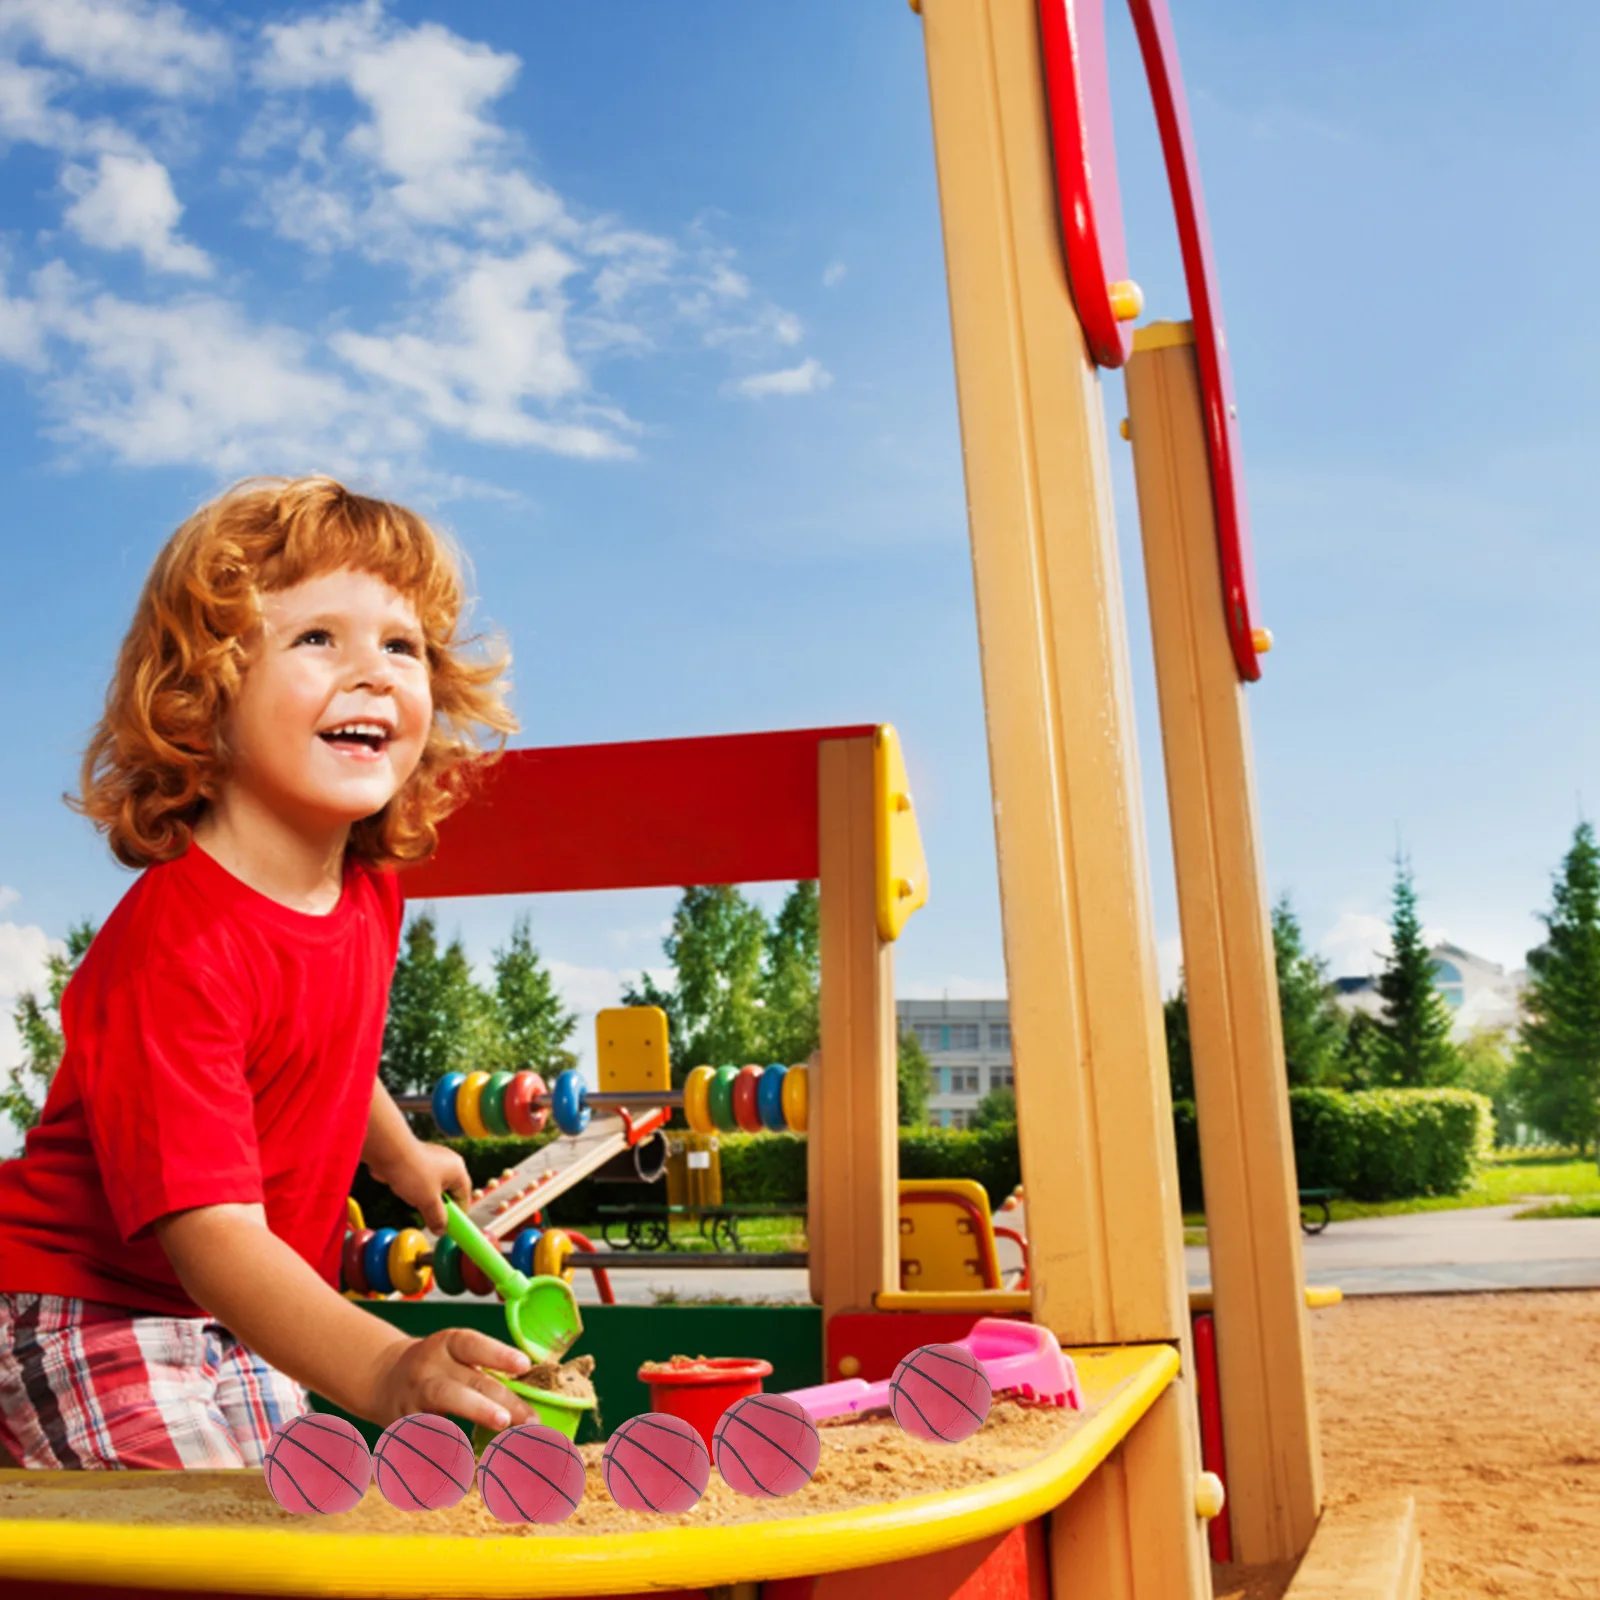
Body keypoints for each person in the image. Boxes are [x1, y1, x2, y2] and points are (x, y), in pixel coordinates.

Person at [0, 477, 540, 1469]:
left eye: (401, 644)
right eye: (317, 639)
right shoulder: (179, 946)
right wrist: (383, 1369)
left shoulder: (369, 893)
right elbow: (215, 1239)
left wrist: (400, 1154)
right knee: (210, 1543)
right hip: (92, 1302)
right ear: (203, 695)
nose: (374, 671)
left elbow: (324, 1046)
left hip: (237, 1309)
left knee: (304, 1519)